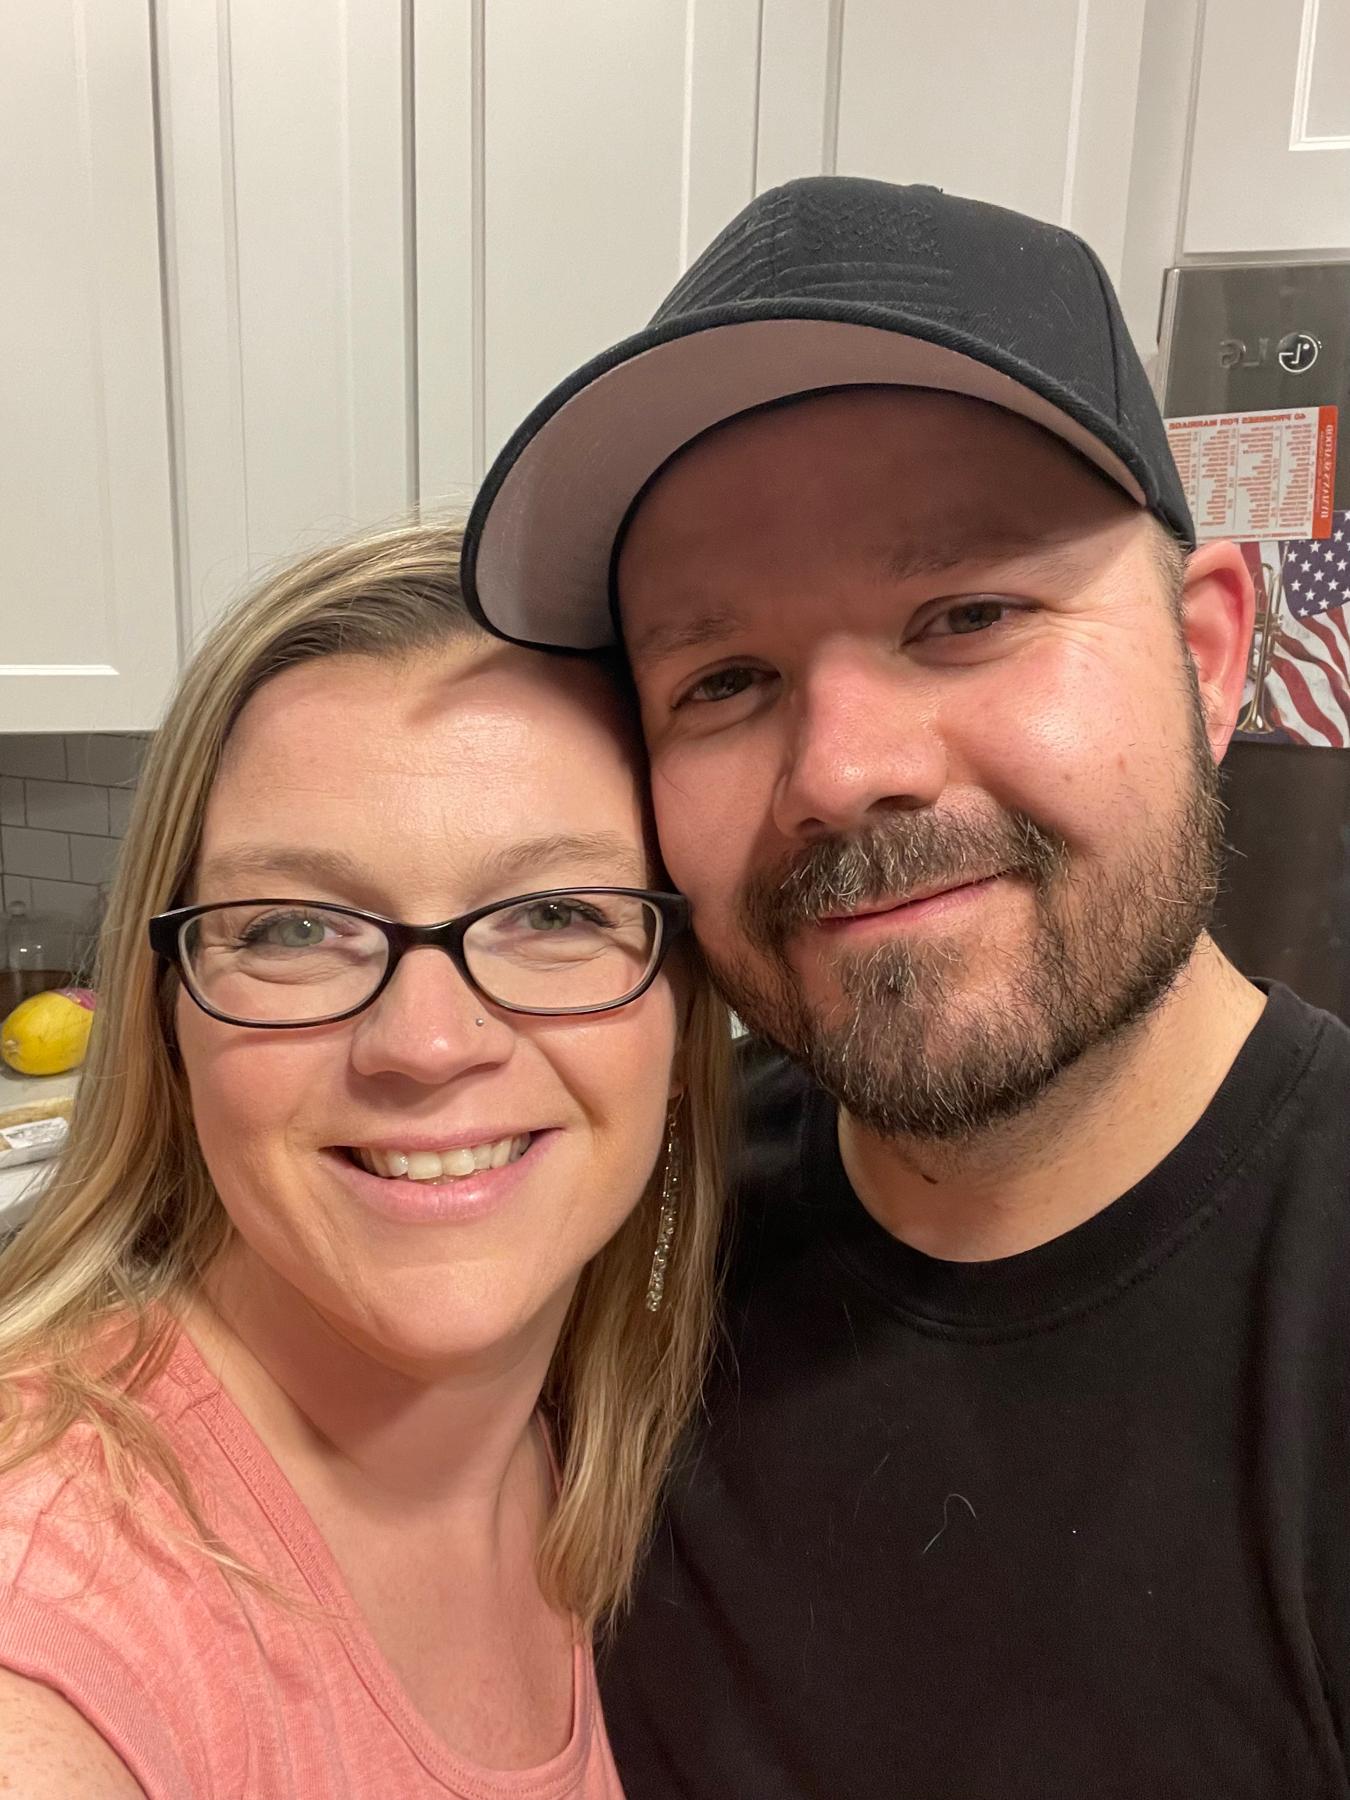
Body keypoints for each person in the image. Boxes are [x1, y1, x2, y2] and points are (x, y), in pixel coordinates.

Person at [460, 177, 1350, 1798]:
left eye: (968, 614)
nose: (841, 771)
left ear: (1209, 657)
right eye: (724, 678)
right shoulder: (623, 1237)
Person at [0, 521, 729, 1798]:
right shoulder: (52, 1573)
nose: (426, 1044)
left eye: (555, 912)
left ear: (681, 1015)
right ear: (170, 1021)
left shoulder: (627, 1439)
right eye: (293, 928)